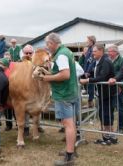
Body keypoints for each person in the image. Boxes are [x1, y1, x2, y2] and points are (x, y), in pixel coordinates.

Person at [41, 33, 78, 165]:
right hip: (71, 92)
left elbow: (65, 75)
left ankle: (69, 157)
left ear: (52, 43)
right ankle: (71, 150)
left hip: (64, 94)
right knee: (71, 124)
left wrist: (46, 78)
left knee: (68, 125)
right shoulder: (65, 51)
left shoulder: (61, 55)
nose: (47, 47)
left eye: (47, 44)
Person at [80, 44, 116, 145]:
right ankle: (105, 136)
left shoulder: (106, 61)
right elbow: (96, 74)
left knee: (107, 114)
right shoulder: (98, 61)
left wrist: (87, 80)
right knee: (103, 114)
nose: (92, 53)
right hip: (102, 92)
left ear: (101, 51)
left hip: (108, 92)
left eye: (94, 51)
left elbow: (102, 77)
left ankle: (111, 137)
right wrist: (87, 75)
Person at [107, 45, 123, 134]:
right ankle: (109, 126)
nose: (108, 53)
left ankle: (120, 128)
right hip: (109, 88)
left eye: (110, 51)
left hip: (118, 88)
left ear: (115, 52)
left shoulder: (122, 61)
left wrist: (120, 85)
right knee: (109, 107)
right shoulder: (108, 60)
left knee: (119, 108)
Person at [83, 36, 96, 108]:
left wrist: (88, 71)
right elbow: (86, 61)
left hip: (90, 71)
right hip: (87, 70)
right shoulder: (89, 49)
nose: (86, 42)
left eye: (87, 41)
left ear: (91, 41)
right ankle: (90, 102)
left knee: (91, 86)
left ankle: (90, 103)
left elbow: (91, 61)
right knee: (89, 86)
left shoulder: (93, 49)